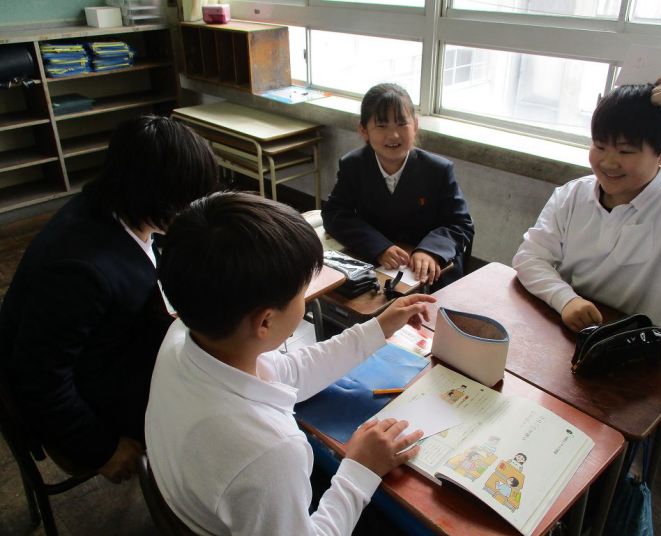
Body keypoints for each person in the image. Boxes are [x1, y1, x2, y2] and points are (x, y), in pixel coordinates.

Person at [146, 191, 435, 535]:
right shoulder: (269, 452)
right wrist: (361, 470)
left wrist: (377, 328)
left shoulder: (183, 334)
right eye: (302, 292)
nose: (305, 299)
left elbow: (288, 372)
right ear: (265, 322)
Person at [0, 115, 219, 482]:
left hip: (111, 352)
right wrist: (102, 449)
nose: (190, 211)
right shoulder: (80, 271)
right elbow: (40, 382)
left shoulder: (106, 206)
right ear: (154, 195)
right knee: (216, 409)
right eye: (185, 202)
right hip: (88, 404)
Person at [513, 73, 661, 335]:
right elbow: (529, 257)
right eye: (599, 146)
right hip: (576, 331)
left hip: (648, 343)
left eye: (625, 151)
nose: (608, 162)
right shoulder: (572, 195)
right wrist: (565, 299)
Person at [322, 83, 474, 288]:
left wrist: (430, 250)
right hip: (378, 260)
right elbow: (335, 214)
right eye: (382, 126)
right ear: (363, 130)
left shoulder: (438, 169)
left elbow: (460, 223)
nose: (393, 135)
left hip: (428, 267)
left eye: (402, 124)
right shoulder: (353, 165)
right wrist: (378, 247)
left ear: (415, 125)